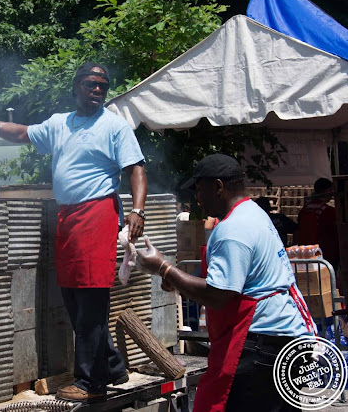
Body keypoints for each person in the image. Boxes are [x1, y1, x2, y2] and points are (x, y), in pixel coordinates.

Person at [0, 62, 148, 401]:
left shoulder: (114, 126)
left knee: (92, 298)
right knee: (73, 297)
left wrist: (137, 210)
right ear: (76, 86)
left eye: (103, 86)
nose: (98, 90)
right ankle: (113, 366)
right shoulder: (59, 124)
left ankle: (91, 383)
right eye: (91, 84)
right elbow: (20, 133)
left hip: (97, 214)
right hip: (67, 218)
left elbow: (136, 168)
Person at [134, 154, 315, 412]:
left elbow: (220, 295)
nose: (197, 198)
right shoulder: (253, 213)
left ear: (218, 187)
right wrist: (177, 281)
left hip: (260, 347)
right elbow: (234, 278)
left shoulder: (233, 229)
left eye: (200, 189)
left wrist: (163, 267)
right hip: (282, 341)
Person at [297, 178, 339, 270]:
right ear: (328, 191)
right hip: (324, 255)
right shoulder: (329, 211)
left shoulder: (304, 209)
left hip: (305, 254)